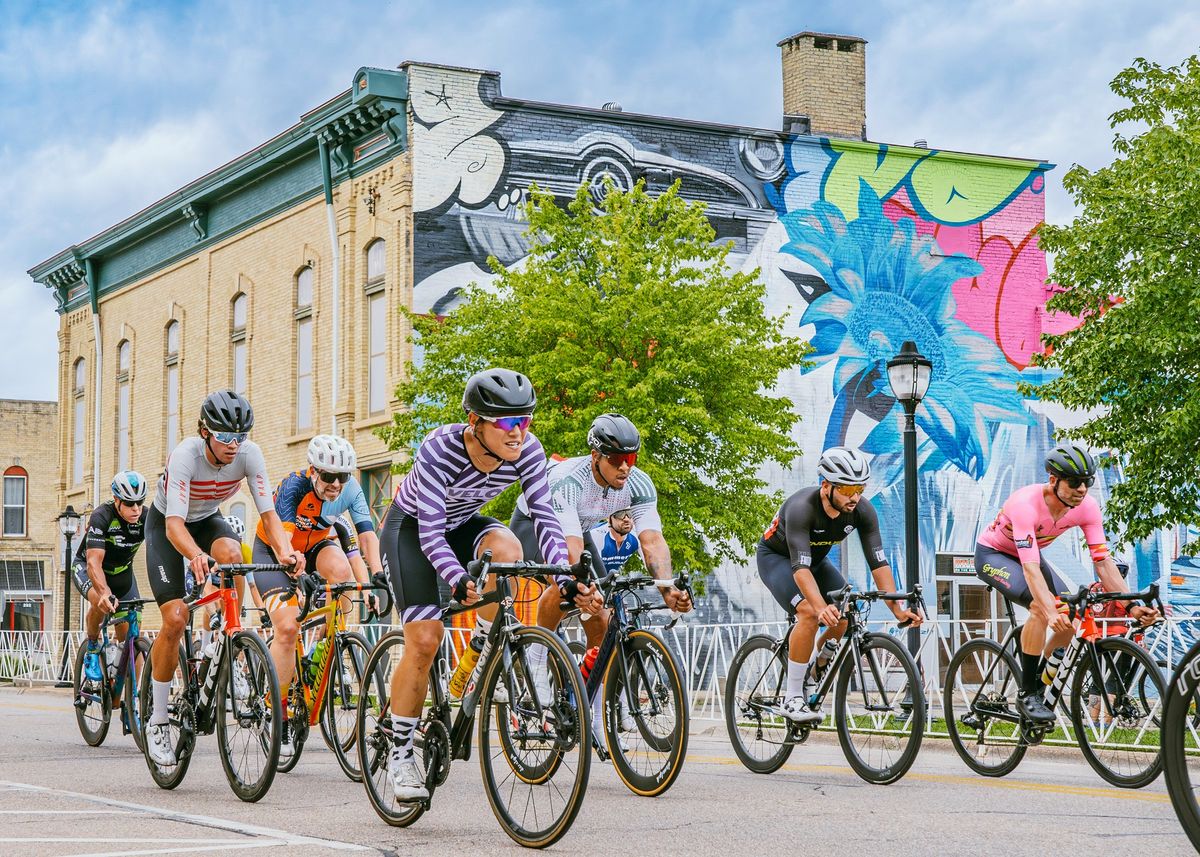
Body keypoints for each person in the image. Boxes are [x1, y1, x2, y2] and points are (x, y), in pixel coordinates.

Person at [379, 368, 601, 801]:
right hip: (411, 530)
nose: (519, 432)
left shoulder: (528, 451)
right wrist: (456, 578)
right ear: (474, 421)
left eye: (526, 420)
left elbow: (545, 516)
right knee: (426, 639)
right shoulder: (440, 448)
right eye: (508, 422)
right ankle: (401, 752)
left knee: (508, 547)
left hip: (461, 524)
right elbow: (430, 535)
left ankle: (484, 646)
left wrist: (566, 575)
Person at [142, 390, 303, 767]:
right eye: (226, 438)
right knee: (176, 618)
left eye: (241, 437)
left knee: (233, 554)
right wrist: (196, 555)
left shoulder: (250, 455)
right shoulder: (186, 456)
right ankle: (159, 719)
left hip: (207, 519)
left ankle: (230, 634)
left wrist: (285, 552)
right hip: (169, 526)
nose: (234, 446)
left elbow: (268, 516)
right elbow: (175, 526)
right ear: (204, 432)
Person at [975, 442, 1158, 724]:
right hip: (996, 555)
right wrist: (1049, 612)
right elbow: (1031, 570)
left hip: (1032, 557)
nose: (1082, 489)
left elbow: (1103, 563)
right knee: (1041, 607)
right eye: (1074, 483)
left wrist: (1131, 606)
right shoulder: (1026, 504)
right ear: (1053, 480)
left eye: (1087, 482)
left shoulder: (1087, 507)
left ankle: (1038, 676)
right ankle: (1027, 693)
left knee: (1070, 610)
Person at [757, 447, 922, 724]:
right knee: (809, 613)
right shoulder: (801, 508)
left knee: (845, 614)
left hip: (816, 562)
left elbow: (879, 563)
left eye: (859, 488)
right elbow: (800, 569)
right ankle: (793, 697)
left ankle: (817, 666)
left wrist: (897, 609)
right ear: (826, 486)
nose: (855, 497)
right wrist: (820, 607)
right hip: (779, 560)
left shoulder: (862, 510)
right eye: (847, 489)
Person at [510, 413, 691, 654]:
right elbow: (569, 546)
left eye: (631, 458)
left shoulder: (639, 484)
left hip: (579, 529)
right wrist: (580, 584)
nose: (625, 467)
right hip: (534, 526)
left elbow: (653, 541)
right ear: (595, 456)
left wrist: (668, 588)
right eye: (616, 459)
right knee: (564, 579)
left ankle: (591, 686)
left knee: (602, 612)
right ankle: (538, 658)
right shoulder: (569, 480)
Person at [250, 434, 383, 760]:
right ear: (313, 471)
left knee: (342, 575)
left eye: (343, 476)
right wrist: (300, 575)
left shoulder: (351, 490)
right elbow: (288, 546)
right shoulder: (294, 487)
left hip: (315, 546)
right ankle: (276, 712)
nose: (336, 483)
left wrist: (376, 580)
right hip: (275, 552)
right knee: (287, 627)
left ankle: (323, 648)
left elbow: (366, 537)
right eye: (328, 476)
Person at [73, 471, 149, 682]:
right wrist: (105, 593)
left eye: (139, 502)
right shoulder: (102, 516)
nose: (135, 509)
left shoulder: (145, 517)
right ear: (116, 500)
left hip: (123, 575)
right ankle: (93, 648)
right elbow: (93, 562)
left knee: (131, 641)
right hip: (88, 569)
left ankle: (127, 701)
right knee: (99, 601)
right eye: (128, 503)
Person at [590, 508, 640, 577]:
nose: (626, 519)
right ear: (609, 519)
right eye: (620, 514)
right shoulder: (596, 534)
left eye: (630, 513)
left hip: (610, 576)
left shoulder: (637, 533)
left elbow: (651, 559)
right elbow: (593, 568)